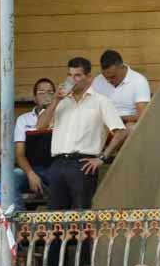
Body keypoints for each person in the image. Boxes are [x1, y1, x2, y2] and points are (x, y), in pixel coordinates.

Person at [36, 55, 126, 209]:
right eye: (69, 75)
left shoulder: (101, 101)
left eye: (77, 75)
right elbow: (40, 126)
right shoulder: (61, 102)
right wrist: (56, 100)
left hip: (83, 164)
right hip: (58, 163)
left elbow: (121, 132)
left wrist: (102, 158)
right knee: (54, 216)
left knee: (81, 215)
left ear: (89, 78)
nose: (73, 79)